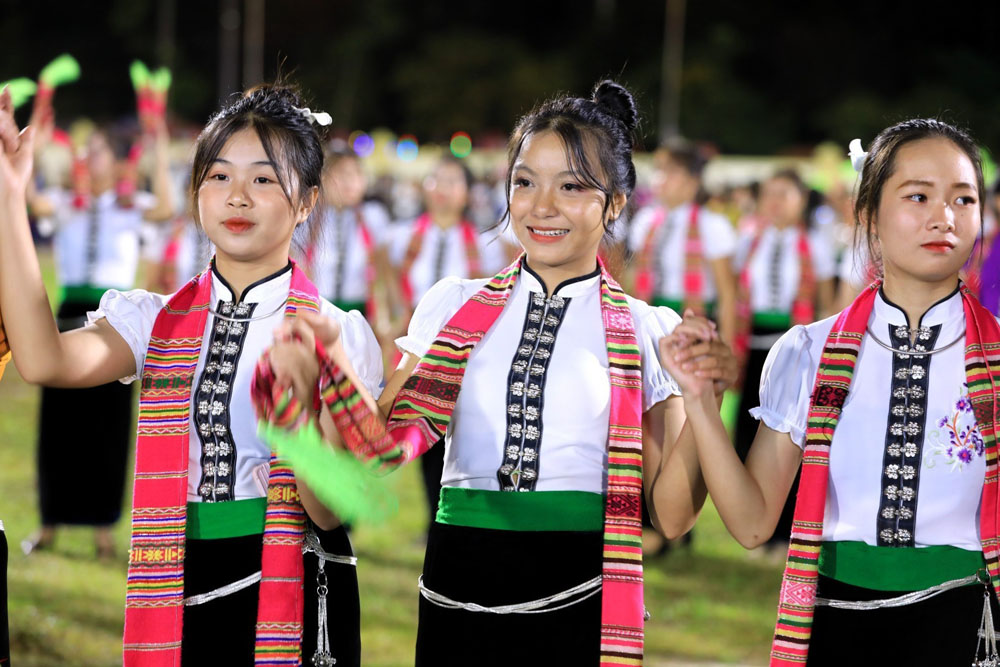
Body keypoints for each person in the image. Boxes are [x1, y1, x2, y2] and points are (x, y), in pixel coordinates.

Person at [274, 80, 736, 666]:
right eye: (525, 182)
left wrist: (701, 398)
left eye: (571, 187)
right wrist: (325, 375)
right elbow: (370, 455)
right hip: (456, 588)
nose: (542, 207)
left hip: (578, 594)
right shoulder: (454, 304)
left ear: (615, 202)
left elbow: (671, 515)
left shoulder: (647, 329)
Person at [0, 83, 382, 666]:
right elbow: (43, 359)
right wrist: (8, 196)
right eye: (220, 176)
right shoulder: (155, 320)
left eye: (263, 179)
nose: (238, 197)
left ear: (305, 202)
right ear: (196, 190)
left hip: (290, 587)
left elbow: (330, 512)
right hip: (173, 576)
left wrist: (300, 414)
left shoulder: (333, 331)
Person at [661, 118, 1000, 665]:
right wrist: (700, 402)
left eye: (964, 200)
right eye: (919, 196)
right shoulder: (808, 353)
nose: (944, 218)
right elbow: (751, 525)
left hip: (966, 631)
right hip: (838, 627)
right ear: (867, 214)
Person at [22, 116, 174, 559]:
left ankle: (104, 527)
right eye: (86, 150)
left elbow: (165, 206)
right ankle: (50, 521)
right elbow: (31, 201)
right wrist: (33, 151)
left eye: (99, 149)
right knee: (58, 426)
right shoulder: (67, 201)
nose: (89, 157)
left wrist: (160, 149)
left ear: (119, 158)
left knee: (107, 427)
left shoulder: (130, 206)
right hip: (68, 314)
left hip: (115, 323)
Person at [388, 155, 506, 526]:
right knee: (424, 432)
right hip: (420, 349)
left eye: (454, 182)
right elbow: (387, 281)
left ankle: (465, 514)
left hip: (464, 352)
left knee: (463, 432)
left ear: (468, 193)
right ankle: (431, 517)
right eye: (437, 181)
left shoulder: (486, 243)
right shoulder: (402, 236)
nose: (443, 190)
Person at [629, 139, 737, 344]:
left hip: (695, 324)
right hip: (650, 326)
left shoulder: (713, 224)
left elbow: (727, 294)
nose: (659, 178)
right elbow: (635, 280)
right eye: (658, 169)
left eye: (670, 171)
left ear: (693, 181)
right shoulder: (645, 222)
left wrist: (728, 350)